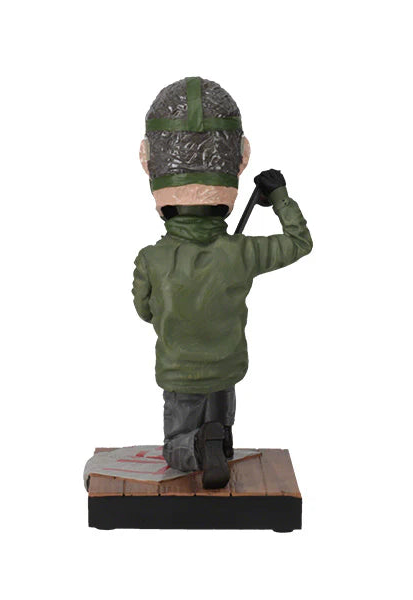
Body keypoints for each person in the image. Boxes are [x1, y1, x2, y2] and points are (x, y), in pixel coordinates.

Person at [133, 77, 313, 488]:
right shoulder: (241, 252)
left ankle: (196, 448)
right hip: (227, 369)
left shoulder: (150, 260)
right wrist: (279, 196)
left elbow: (145, 311)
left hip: (180, 375)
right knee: (222, 435)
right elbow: (299, 242)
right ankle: (216, 443)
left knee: (177, 450)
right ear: (241, 158)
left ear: (148, 162)